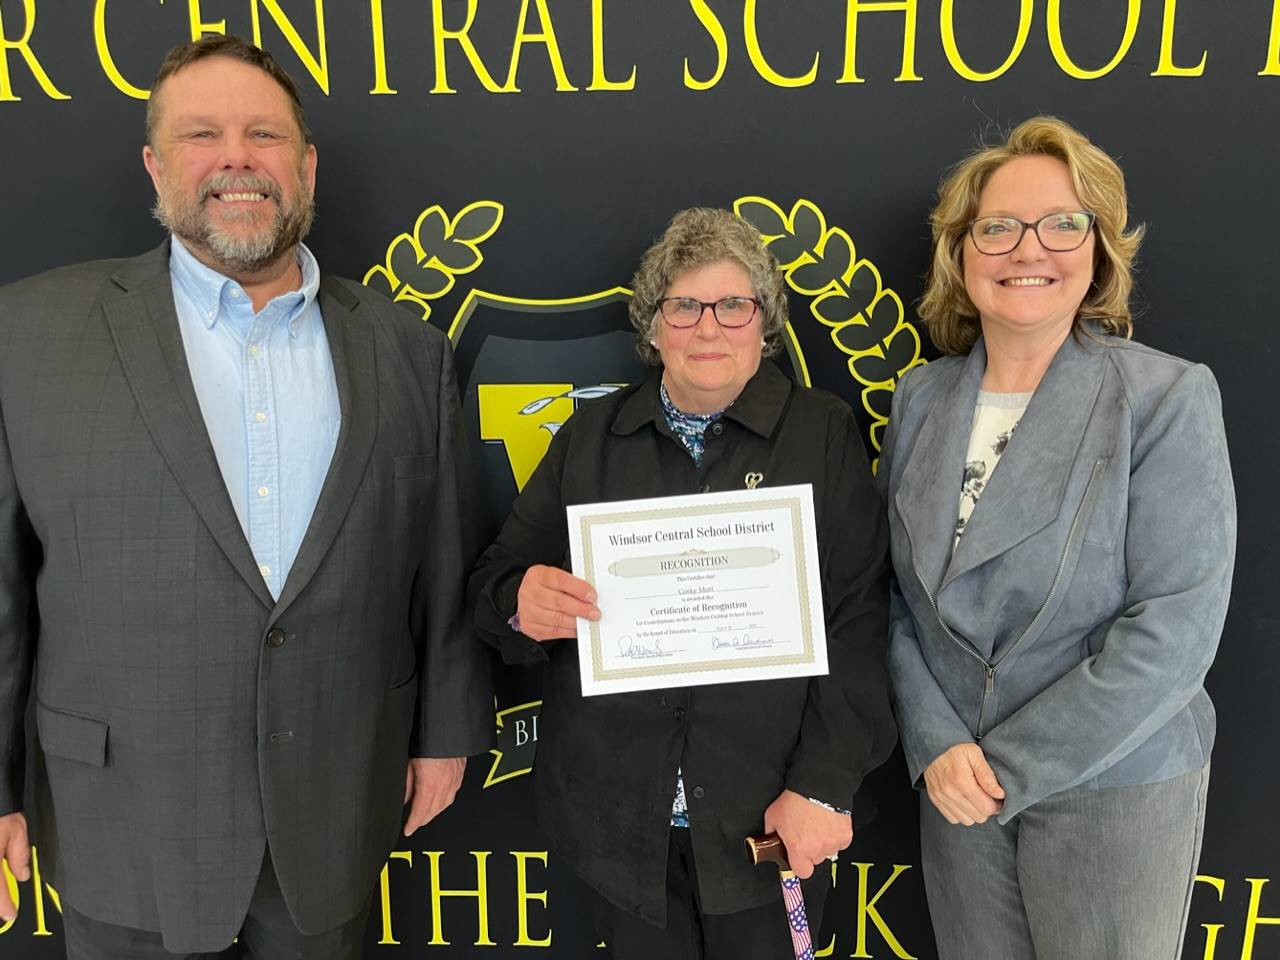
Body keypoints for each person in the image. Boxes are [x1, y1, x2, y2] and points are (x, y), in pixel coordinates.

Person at [0, 35, 492, 958]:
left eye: (263, 133)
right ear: (155, 165)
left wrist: (446, 734)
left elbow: (441, 557)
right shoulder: (25, 335)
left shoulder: (405, 349)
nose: (236, 157)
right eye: (201, 134)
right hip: (122, 818)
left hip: (336, 803)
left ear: (304, 167)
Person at [469, 207, 896, 959]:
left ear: (764, 324)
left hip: (767, 825)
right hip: (617, 836)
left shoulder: (820, 434)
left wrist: (826, 785)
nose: (708, 327)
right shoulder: (592, 439)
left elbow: (859, 620)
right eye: (684, 305)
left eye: (734, 305)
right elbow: (493, 586)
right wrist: (518, 601)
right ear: (653, 325)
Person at [880, 115, 1236, 959]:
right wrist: (935, 746)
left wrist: (1008, 764)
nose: (1026, 249)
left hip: (1113, 789)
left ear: (1100, 251)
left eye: (1062, 224)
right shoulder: (919, 401)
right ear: (962, 254)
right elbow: (890, 598)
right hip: (957, 792)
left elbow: (1175, 631)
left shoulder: (1165, 399)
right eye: (997, 228)